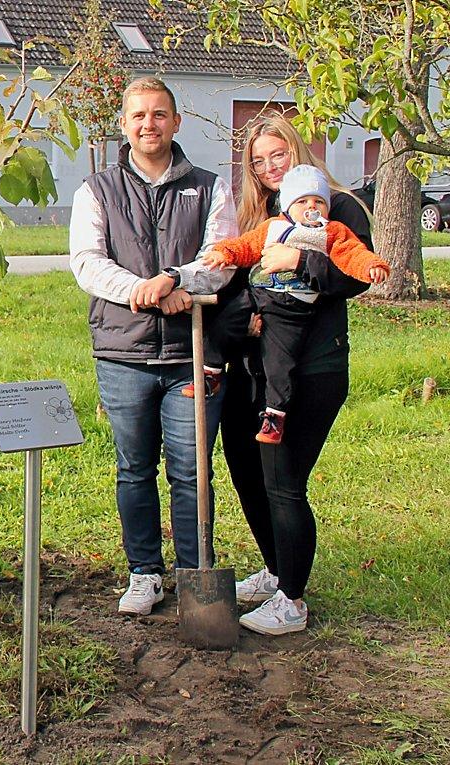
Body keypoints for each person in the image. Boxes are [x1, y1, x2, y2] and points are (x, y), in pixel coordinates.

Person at [68, 77, 238, 616]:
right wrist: (143, 292)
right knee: (134, 469)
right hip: (125, 355)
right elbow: (87, 262)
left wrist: (173, 279)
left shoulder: (211, 187)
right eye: (139, 115)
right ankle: (144, 572)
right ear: (124, 124)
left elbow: (222, 260)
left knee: (191, 471)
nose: (149, 124)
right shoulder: (97, 190)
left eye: (159, 115)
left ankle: (194, 576)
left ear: (176, 122)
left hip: (193, 353)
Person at [220, 111, 375, 635]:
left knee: (284, 480)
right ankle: (275, 568)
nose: (268, 168)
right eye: (258, 161)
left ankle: (292, 598)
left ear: (297, 151)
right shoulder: (262, 212)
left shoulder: (338, 207)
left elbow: (352, 278)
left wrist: (297, 262)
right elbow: (241, 272)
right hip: (255, 368)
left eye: (277, 156)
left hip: (313, 369)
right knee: (247, 470)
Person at [201, 164, 388, 443]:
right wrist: (222, 253)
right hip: (258, 294)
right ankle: (211, 371)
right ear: (288, 205)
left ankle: (275, 416)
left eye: (318, 201)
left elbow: (354, 255)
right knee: (225, 321)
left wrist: (371, 265)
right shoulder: (274, 226)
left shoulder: (332, 232)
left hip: (292, 308)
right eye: (302, 201)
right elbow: (245, 246)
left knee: (279, 362)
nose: (311, 206)